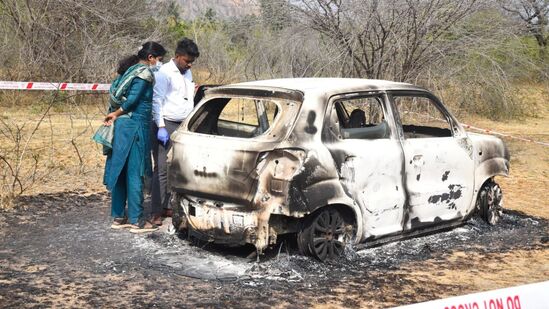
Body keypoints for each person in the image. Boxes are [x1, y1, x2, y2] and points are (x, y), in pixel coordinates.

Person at [102, 41, 167, 233]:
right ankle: (137, 220)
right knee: (135, 172)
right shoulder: (144, 73)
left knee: (120, 171)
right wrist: (117, 113)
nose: (158, 64)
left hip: (122, 127)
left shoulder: (127, 71)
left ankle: (118, 216)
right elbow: (133, 101)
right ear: (150, 58)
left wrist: (116, 115)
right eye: (158, 60)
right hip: (135, 127)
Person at [149, 38, 199, 225]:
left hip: (183, 125)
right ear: (177, 56)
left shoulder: (187, 72)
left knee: (175, 169)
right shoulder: (164, 73)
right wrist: (161, 126)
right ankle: (155, 212)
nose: (189, 64)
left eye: (192, 61)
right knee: (161, 169)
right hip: (166, 124)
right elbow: (157, 101)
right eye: (187, 60)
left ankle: (168, 206)